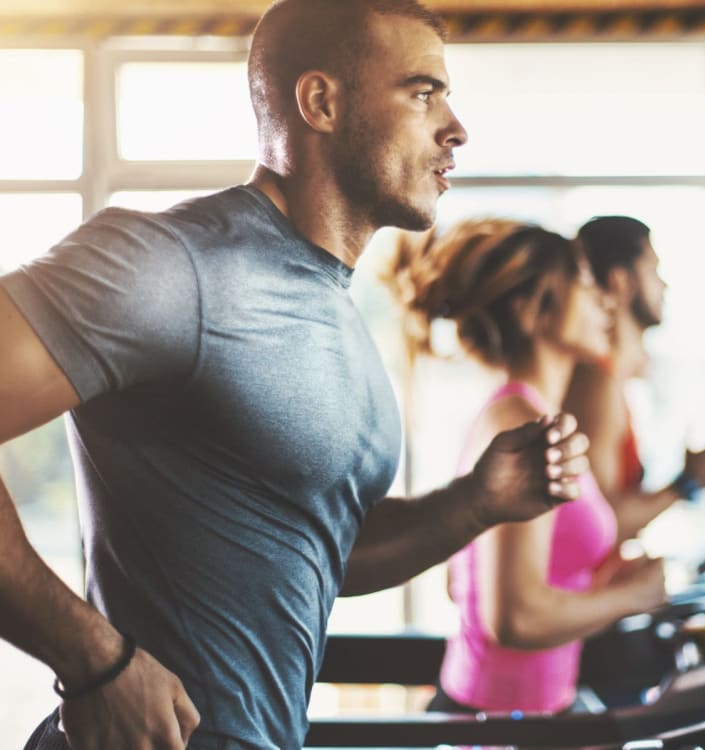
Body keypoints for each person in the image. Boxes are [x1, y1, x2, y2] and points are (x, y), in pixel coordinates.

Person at [0, 2, 594, 749]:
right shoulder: (174, 267)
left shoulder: (344, 317)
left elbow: (318, 553)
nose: (456, 128)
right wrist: (93, 660)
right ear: (320, 103)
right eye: (422, 93)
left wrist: (476, 503)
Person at [387, 218, 670, 715]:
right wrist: (634, 597)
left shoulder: (534, 416)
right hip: (497, 724)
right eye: (583, 283)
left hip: (536, 715)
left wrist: (599, 586)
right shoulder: (519, 424)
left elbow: (467, 581)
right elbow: (513, 618)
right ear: (531, 311)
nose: (605, 301)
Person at [564, 216, 705, 544]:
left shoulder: (617, 379)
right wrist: (688, 483)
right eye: (653, 269)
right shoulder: (596, 383)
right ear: (621, 280)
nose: (663, 286)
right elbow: (599, 526)